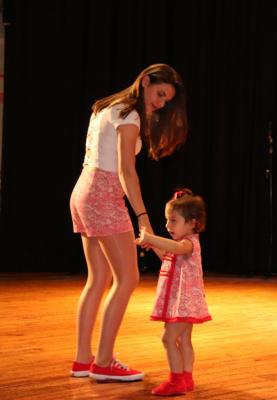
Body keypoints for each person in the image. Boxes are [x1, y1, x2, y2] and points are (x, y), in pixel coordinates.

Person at [69, 64, 188, 381]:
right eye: (160, 94)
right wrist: (144, 221)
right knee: (127, 279)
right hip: (103, 195)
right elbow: (125, 171)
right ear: (146, 81)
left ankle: (84, 359)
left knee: (99, 279)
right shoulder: (130, 115)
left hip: (84, 190)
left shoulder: (107, 106)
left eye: (167, 100)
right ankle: (103, 363)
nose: (161, 103)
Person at [135, 189, 212, 396]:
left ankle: (176, 380)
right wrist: (152, 242)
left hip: (184, 302)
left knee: (168, 339)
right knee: (183, 340)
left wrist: (152, 237)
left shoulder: (189, 243)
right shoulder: (181, 243)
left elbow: (177, 249)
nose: (168, 226)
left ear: (192, 223)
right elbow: (168, 255)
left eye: (173, 221)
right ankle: (186, 378)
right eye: (167, 220)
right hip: (183, 302)